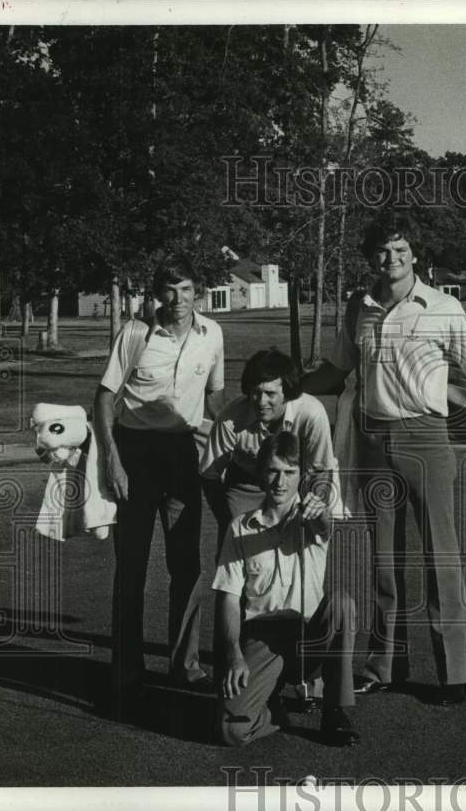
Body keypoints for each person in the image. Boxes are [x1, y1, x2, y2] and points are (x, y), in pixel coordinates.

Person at [302, 215, 466, 705]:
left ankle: (454, 673)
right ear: (371, 258)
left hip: (425, 438)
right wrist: (293, 385)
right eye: (383, 251)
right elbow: (339, 369)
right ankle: (383, 666)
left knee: (439, 560)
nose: (392, 259)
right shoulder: (357, 307)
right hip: (371, 441)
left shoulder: (443, 306)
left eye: (400, 249)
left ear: (413, 254)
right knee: (385, 562)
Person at [93, 260, 225, 717]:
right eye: (169, 291)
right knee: (131, 567)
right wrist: (111, 458)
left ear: (198, 292)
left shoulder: (213, 334)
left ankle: (184, 665)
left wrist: (222, 454)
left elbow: (214, 399)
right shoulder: (134, 333)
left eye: (186, 289)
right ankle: (127, 671)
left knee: (187, 565)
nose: (178, 300)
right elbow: (106, 396)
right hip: (135, 453)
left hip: (184, 455)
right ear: (156, 296)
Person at [213, 431, 358, 747]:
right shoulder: (239, 527)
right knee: (232, 730)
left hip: (310, 634)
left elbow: (324, 527)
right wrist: (235, 655)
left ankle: (335, 710)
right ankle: (272, 709)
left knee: (341, 604)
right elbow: (228, 598)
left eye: (290, 472)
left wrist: (320, 514)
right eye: (273, 471)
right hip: (263, 638)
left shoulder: (312, 515)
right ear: (261, 472)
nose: (280, 481)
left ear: (301, 476)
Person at [201, 347, 339, 558]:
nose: (261, 401)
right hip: (246, 484)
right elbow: (209, 475)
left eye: (270, 394)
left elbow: (321, 470)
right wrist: (228, 521)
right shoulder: (230, 417)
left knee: (296, 555)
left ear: (287, 393)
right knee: (239, 555)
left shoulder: (312, 414)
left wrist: (314, 502)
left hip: (298, 482)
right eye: (256, 392)